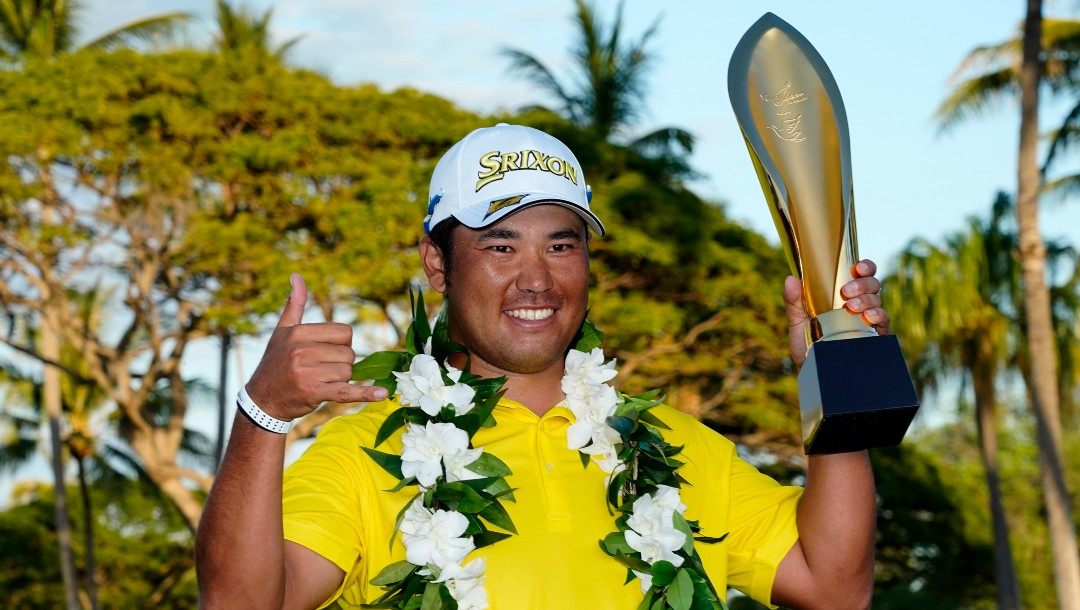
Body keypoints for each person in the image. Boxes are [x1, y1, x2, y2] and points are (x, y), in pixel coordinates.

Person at [195, 124, 885, 609]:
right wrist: (263, 416)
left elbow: (834, 586)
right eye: (501, 247)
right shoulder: (362, 455)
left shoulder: (676, 451)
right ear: (437, 263)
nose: (537, 280)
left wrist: (834, 373)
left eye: (561, 246)